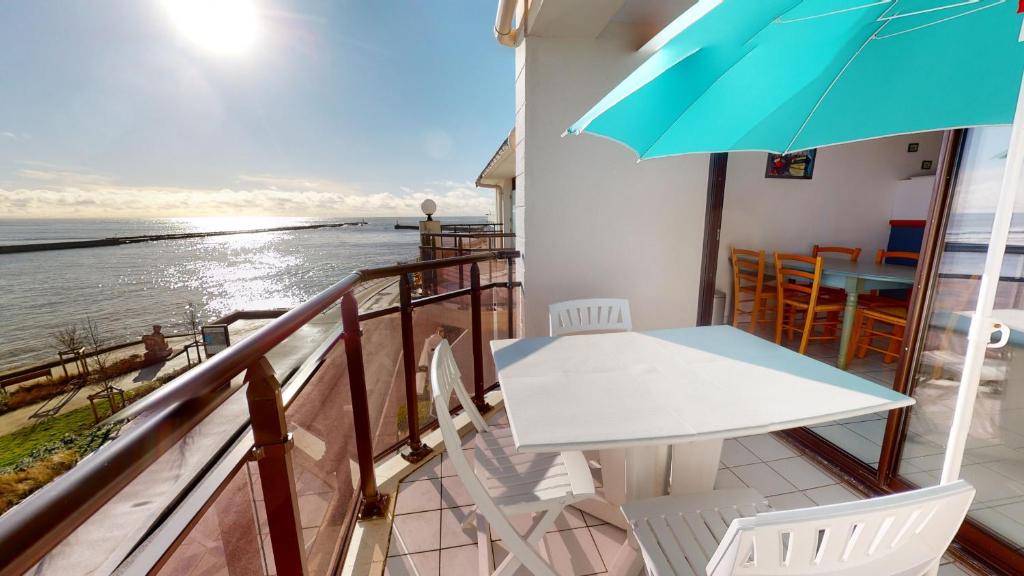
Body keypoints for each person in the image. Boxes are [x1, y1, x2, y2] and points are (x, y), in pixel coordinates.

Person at [416, 326, 445, 395]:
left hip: (425, 360)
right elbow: (432, 350)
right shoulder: (436, 339)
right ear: (439, 332)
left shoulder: (432, 338)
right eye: (442, 332)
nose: (443, 334)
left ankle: (420, 389)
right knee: (426, 374)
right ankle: (421, 389)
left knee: (424, 374)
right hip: (428, 360)